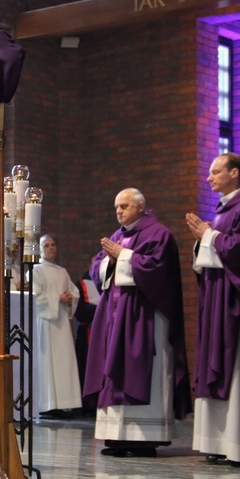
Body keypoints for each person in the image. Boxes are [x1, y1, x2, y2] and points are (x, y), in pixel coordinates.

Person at [84, 188, 192, 457]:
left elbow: (157, 271)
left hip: (145, 319)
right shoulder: (117, 236)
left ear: (141, 207)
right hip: (115, 317)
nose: (119, 211)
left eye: (124, 206)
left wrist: (123, 256)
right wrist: (109, 262)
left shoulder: (159, 234)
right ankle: (116, 437)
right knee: (112, 372)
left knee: (141, 370)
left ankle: (143, 439)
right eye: (116, 207)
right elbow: (97, 269)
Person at [185, 153, 240, 466]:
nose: (209, 178)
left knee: (235, 364)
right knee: (215, 362)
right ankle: (218, 442)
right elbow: (219, 245)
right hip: (216, 295)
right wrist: (204, 240)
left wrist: (208, 237)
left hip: (235, 299)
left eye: (215, 172)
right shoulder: (223, 209)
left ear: (235, 173)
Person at [30, 235, 82, 419]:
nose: (51, 248)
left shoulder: (62, 271)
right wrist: (57, 299)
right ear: (39, 249)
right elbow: (33, 297)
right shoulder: (35, 270)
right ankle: (47, 405)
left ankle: (64, 404)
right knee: (47, 363)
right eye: (46, 245)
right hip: (44, 323)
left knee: (63, 362)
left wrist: (69, 299)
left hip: (61, 323)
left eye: (53, 245)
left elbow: (74, 293)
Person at [73, 254, 100, 415]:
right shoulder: (82, 285)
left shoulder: (105, 281)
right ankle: (88, 403)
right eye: (95, 260)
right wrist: (99, 311)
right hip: (87, 334)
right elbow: (80, 311)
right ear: (89, 264)